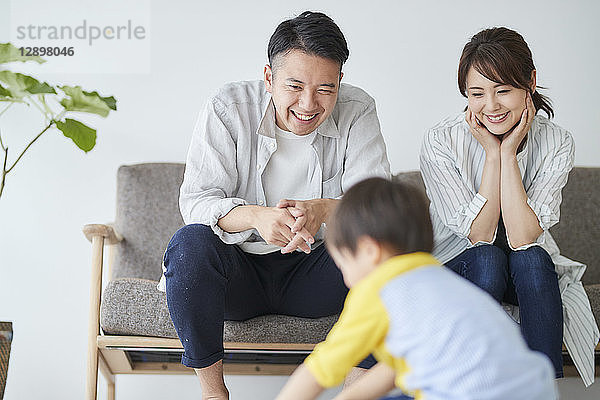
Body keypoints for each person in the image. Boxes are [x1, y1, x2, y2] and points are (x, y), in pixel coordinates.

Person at [158, 11, 390, 399]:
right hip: (238, 272)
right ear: (269, 77)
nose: (308, 104)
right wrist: (255, 216)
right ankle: (214, 394)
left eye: (325, 89)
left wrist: (324, 210)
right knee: (189, 244)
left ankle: (354, 394)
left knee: (386, 253)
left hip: (315, 272)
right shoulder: (228, 106)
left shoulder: (359, 109)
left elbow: (379, 207)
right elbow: (197, 202)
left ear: (340, 82)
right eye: (294, 86)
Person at [420, 27, 599, 384]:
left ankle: (540, 388)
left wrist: (508, 155)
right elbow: (480, 235)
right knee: (487, 256)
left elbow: (522, 238)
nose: (491, 106)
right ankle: (474, 383)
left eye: (503, 90)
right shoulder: (441, 140)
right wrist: (491, 154)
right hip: (459, 268)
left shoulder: (557, 141)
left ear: (530, 82)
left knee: (533, 256)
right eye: (477, 93)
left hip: (522, 271)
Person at [276, 177, 557, 400]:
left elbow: (317, 371)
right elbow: (392, 372)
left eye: (343, 263)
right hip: (534, 389)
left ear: (369, 251)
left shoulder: (378, 290)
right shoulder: (444, 282)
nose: (346, 278)